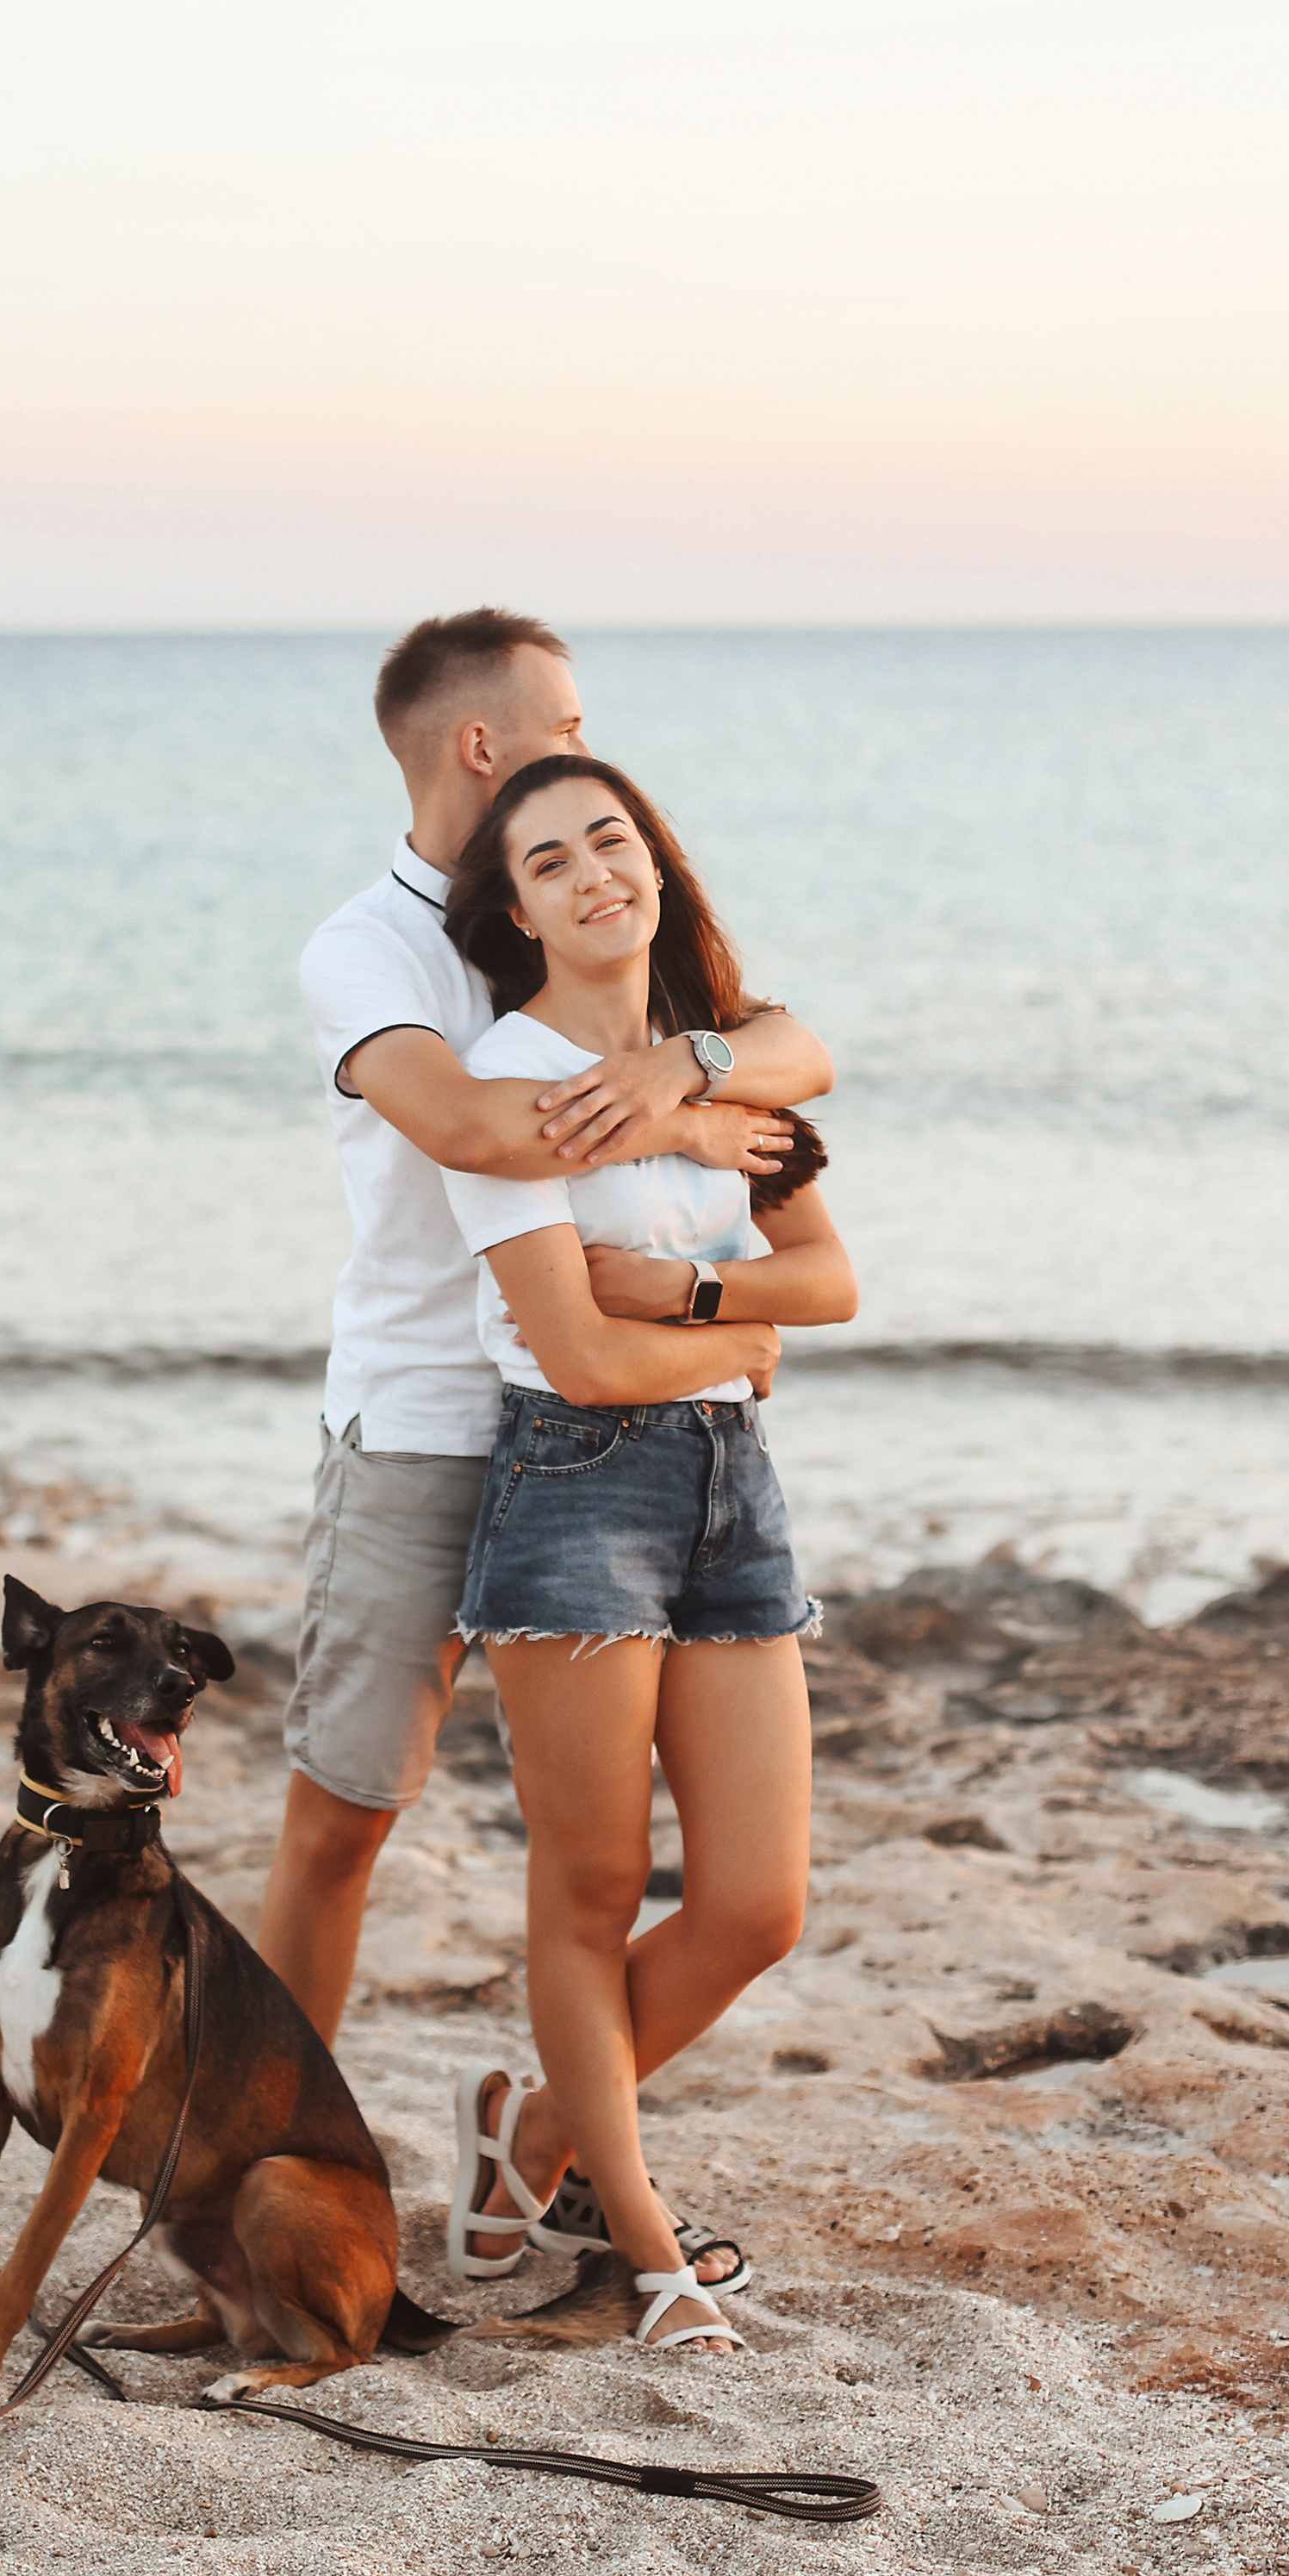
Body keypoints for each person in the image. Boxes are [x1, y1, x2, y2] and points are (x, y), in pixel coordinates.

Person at [259, 609, 834, 2044]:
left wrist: (687, 1061)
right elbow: (463, 1122)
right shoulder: (366, 950)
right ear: (482, 743)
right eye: (566, 726)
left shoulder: (587, 910)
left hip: (604, 1441)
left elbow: (801, 1051)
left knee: (614, 1876)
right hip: (425, 1427)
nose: (589, 749)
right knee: (345, 1822)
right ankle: (254, 2170)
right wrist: (680, 1108)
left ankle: (550, 2151)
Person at [434, 753, 857, 2355]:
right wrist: (731, 1344)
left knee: (758, 1904)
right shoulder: (511, 1090)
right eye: (549, 861)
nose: (592, 872)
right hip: (573, 1489)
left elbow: (827, 1285)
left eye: (610, 839)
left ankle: (536, 2135)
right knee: (595, 1885)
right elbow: (578, 1358)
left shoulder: (731, 1072)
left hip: (733, 1495)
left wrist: (686, 1300)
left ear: (658, 866)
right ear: (519, 909)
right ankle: (648, 2244)